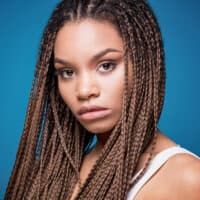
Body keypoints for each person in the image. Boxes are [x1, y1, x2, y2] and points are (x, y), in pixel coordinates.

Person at [5, 0, 200, 199]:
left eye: (106, 65)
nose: (84, 90)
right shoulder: (51, 174)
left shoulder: (188, 178)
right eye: (67, 72)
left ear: (144, 65)